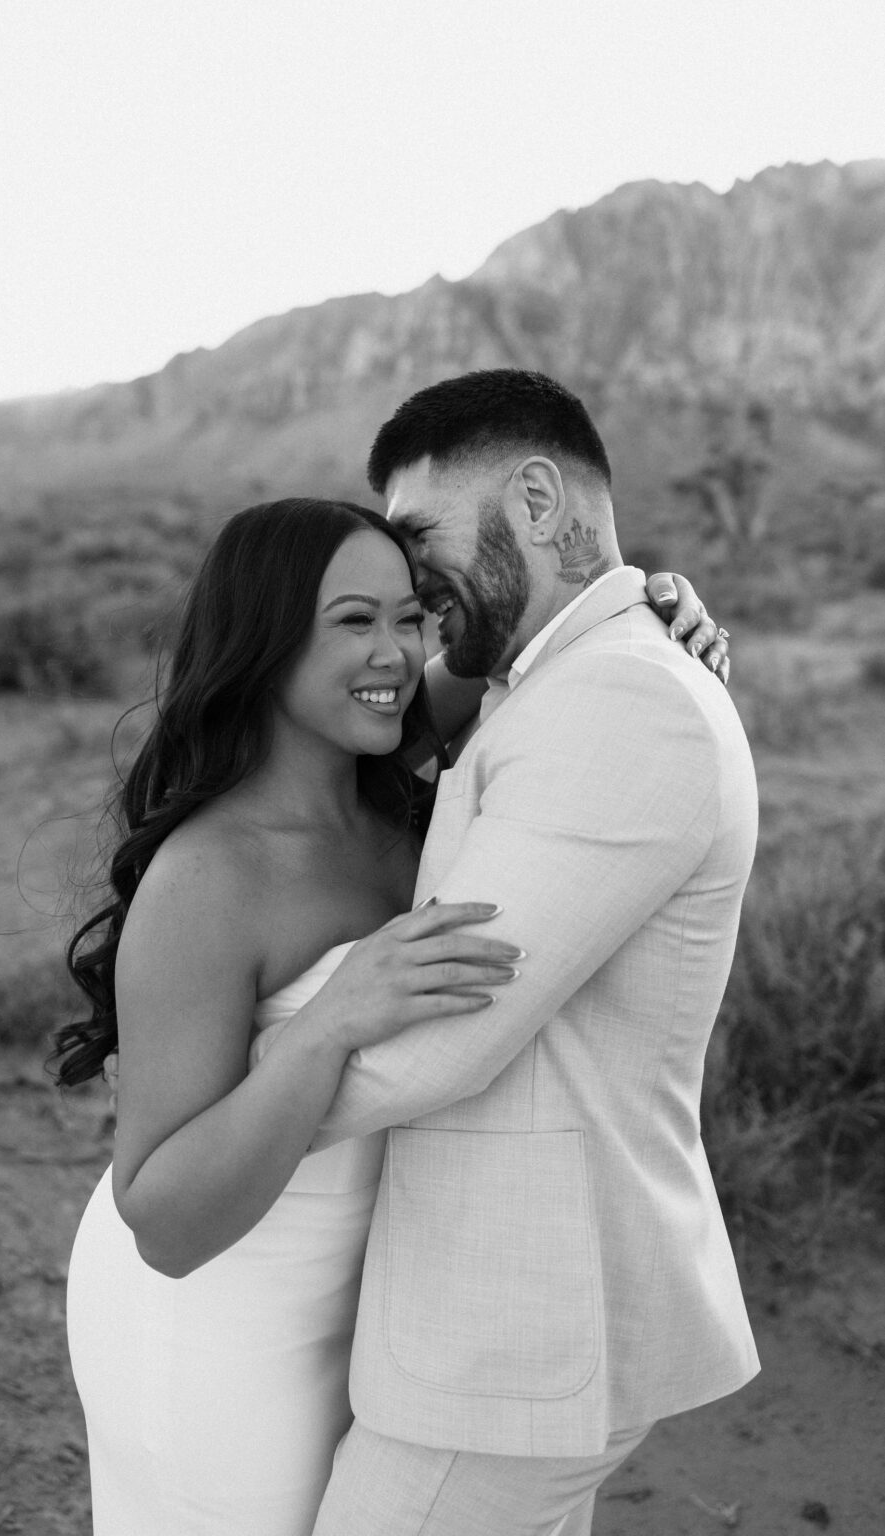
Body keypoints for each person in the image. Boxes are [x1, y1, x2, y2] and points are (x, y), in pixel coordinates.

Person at [57, 489, 728, 1535]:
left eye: (410, 616)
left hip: (382, 1306)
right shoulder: (210, 877)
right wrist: (329, 1023)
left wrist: (655, 607)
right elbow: (167, 1222)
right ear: (266, 643)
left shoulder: (398, 784)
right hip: (220, 1317)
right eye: (353, 622)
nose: (395, 650)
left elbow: (556, 654)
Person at [247, 369, 760, 1536]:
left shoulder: (619, 697)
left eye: (421, 533)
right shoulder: (545, 678)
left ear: (537, 496)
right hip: (500, 1316)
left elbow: (439, 1043)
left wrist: (207, 1092)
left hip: (513, 1331)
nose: (407, 577)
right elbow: (395, 720)